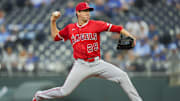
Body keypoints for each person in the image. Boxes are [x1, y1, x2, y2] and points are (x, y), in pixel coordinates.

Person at [32, 2, 142, 101]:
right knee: (64, 91)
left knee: (122, 76)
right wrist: (53, 21)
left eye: (88, 11)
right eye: (84, 11)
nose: (87, 13)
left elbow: (117, 28)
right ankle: (39, 95)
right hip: (81, 64)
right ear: (78, 13)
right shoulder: (70, 28)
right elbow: (55, 37)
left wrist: (130, 36)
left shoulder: (96, 24)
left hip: (97, 63)